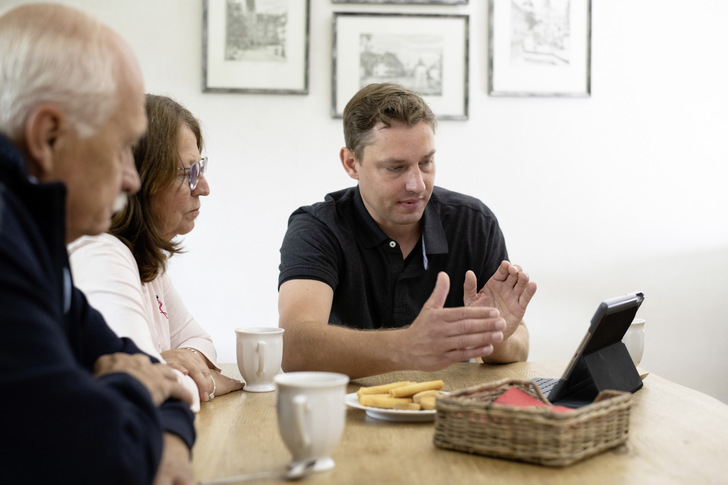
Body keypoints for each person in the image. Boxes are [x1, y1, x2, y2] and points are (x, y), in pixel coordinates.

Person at [0, 5, 196, 484]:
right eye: (121, 147)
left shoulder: (40, 236)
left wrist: (163, 438)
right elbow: (97, 459)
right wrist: (131, 385)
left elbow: (166, 385)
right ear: (48, 137)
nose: (131, 178)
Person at [278, 83, 537, 379]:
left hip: (447, 412)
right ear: (352, 163)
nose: (417, 184)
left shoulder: (474, 223)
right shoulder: (317, 228)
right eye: (395, 167)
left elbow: (519, 344)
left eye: (426, 162)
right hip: (345, 414)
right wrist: (408, 345)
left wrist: (495, 334)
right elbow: (293, 347)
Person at [68, 94, 243, 402]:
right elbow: (143, 393)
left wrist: (181, 357)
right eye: (188, 172)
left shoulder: (146, 259)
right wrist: (211, 383)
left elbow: (199, 340)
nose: (203, 187)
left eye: (200, 168)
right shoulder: (102, 254)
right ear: (139, 179)